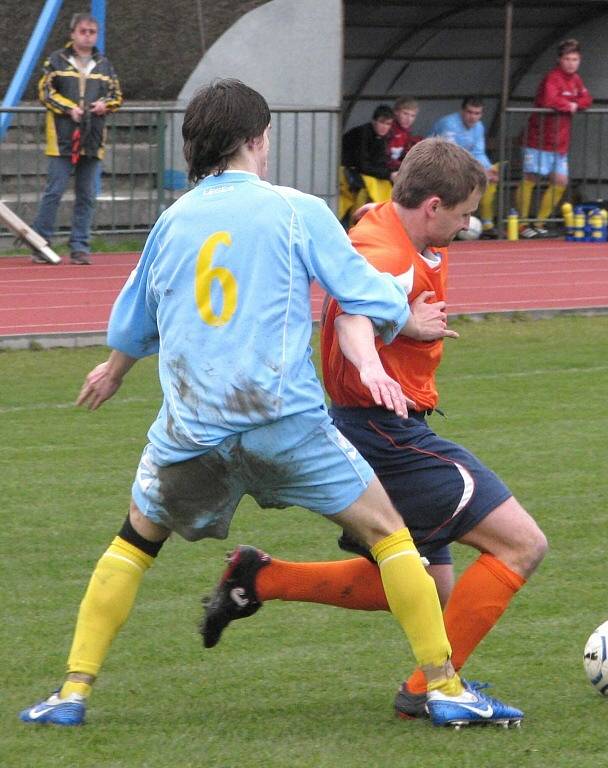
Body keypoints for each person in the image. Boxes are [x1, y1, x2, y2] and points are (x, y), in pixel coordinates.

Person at [19, 79, 503, 730]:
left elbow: (133, 321)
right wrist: (401, 314)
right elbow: (363, 291)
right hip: (282, 421)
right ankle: (444, 688)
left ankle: (72, 693)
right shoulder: (294, 210)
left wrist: (113, 371)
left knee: (133, 542)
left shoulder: (170, 222)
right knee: (391, 536)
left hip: (192, 430)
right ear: (255, 139)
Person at [205, 139, 546, 724]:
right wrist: (377, 354)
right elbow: (352, 318)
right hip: (382, 431)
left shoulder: (392, 226)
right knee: (521, 543)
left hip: (377, 424)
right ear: (432, 205)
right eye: (463, 214)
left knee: (426, 586)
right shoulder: (383, 249)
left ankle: (262, 576)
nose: (468, 227)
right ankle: (432, 689)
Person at [31, 12, 122, 266]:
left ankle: (80, 246)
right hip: (62, 137)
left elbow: (117, 95)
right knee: (54, 191)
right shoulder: (56, 60)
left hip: (93, 138)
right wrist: (69, 108)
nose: (87, 36)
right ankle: (41, 243)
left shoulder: (104, 64)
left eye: (92, 32)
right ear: (72, 33)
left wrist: (105, 105)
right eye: (83, 31)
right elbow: (45, 91)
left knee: (87, 194)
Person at [518, 39, 592, 238]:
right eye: (567, 58)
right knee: (530, 178)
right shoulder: (552, 77)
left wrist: (574, 103)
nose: (571, 63)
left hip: (560, 143)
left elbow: (587, 99)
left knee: (560, 181)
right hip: (539, 139)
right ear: (559, 60)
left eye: (575, 59)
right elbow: (550, 100)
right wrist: (570, 105)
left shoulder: (576, 79)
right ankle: (522, 224)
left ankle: (539, 222)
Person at [430, 97, 499, 238]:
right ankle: (446, 226)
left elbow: (478, 152)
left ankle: (487, 223)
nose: (473, 117)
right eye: (470, 112)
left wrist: (488, 169)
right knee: (456, 184)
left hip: (461, 166)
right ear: (462, 111)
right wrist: (476, 172)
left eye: (477, 113)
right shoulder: (449, 124)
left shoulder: (479, 127)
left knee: (489, 179)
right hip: (436, 163)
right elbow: (449, 155)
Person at [339, 105, 396, 223]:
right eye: (382, 122)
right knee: (363, 189)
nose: (384, 127)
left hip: (360, 172)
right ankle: (354, 222)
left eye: (388, 124)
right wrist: (389, 174)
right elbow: (363, 166)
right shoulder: (362, 134)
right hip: (347, 172)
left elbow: (380, 163)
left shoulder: (382, 138)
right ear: (374, 121)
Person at [386, 97, 423, 173]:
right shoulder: (387, 129)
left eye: (413, 116)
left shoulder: (407, 133)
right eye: (405, 113)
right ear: (396, 112)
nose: (409, 119)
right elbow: (384, 159)